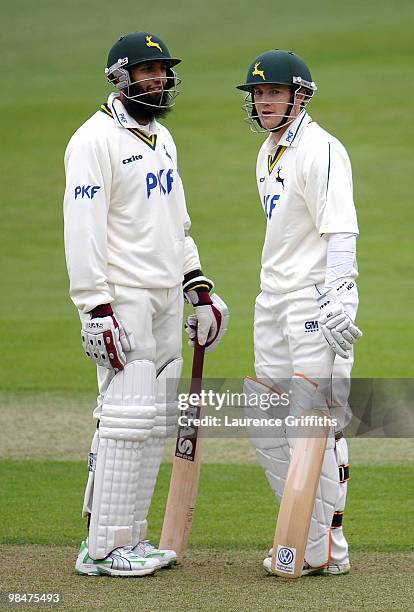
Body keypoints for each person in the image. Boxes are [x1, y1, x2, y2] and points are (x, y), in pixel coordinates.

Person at [63, 31, 228, 577]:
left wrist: (196, 285)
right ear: (120, 77)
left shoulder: (163, 139)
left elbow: (177, 223)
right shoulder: (94, 140)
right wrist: (95, 306)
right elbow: (82, 228)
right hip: (124, 295)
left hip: (162, 297)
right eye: (146, 72)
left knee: (152, 422)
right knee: (126, 418)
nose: (157, 80)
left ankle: (130, 540)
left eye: (162, 72)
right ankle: (101, 549)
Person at [237, 50, 362, 575]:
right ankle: (301, 538)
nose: (263, 101)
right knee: (268, 421)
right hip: (272, 300)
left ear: (299, 95)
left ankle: (327, 549)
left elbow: (340, 229)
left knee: (314, 424)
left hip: (313, 301)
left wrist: (338, 297)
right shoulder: (268, 153)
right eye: (257, 93)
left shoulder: (321, 149)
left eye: (272, 92)